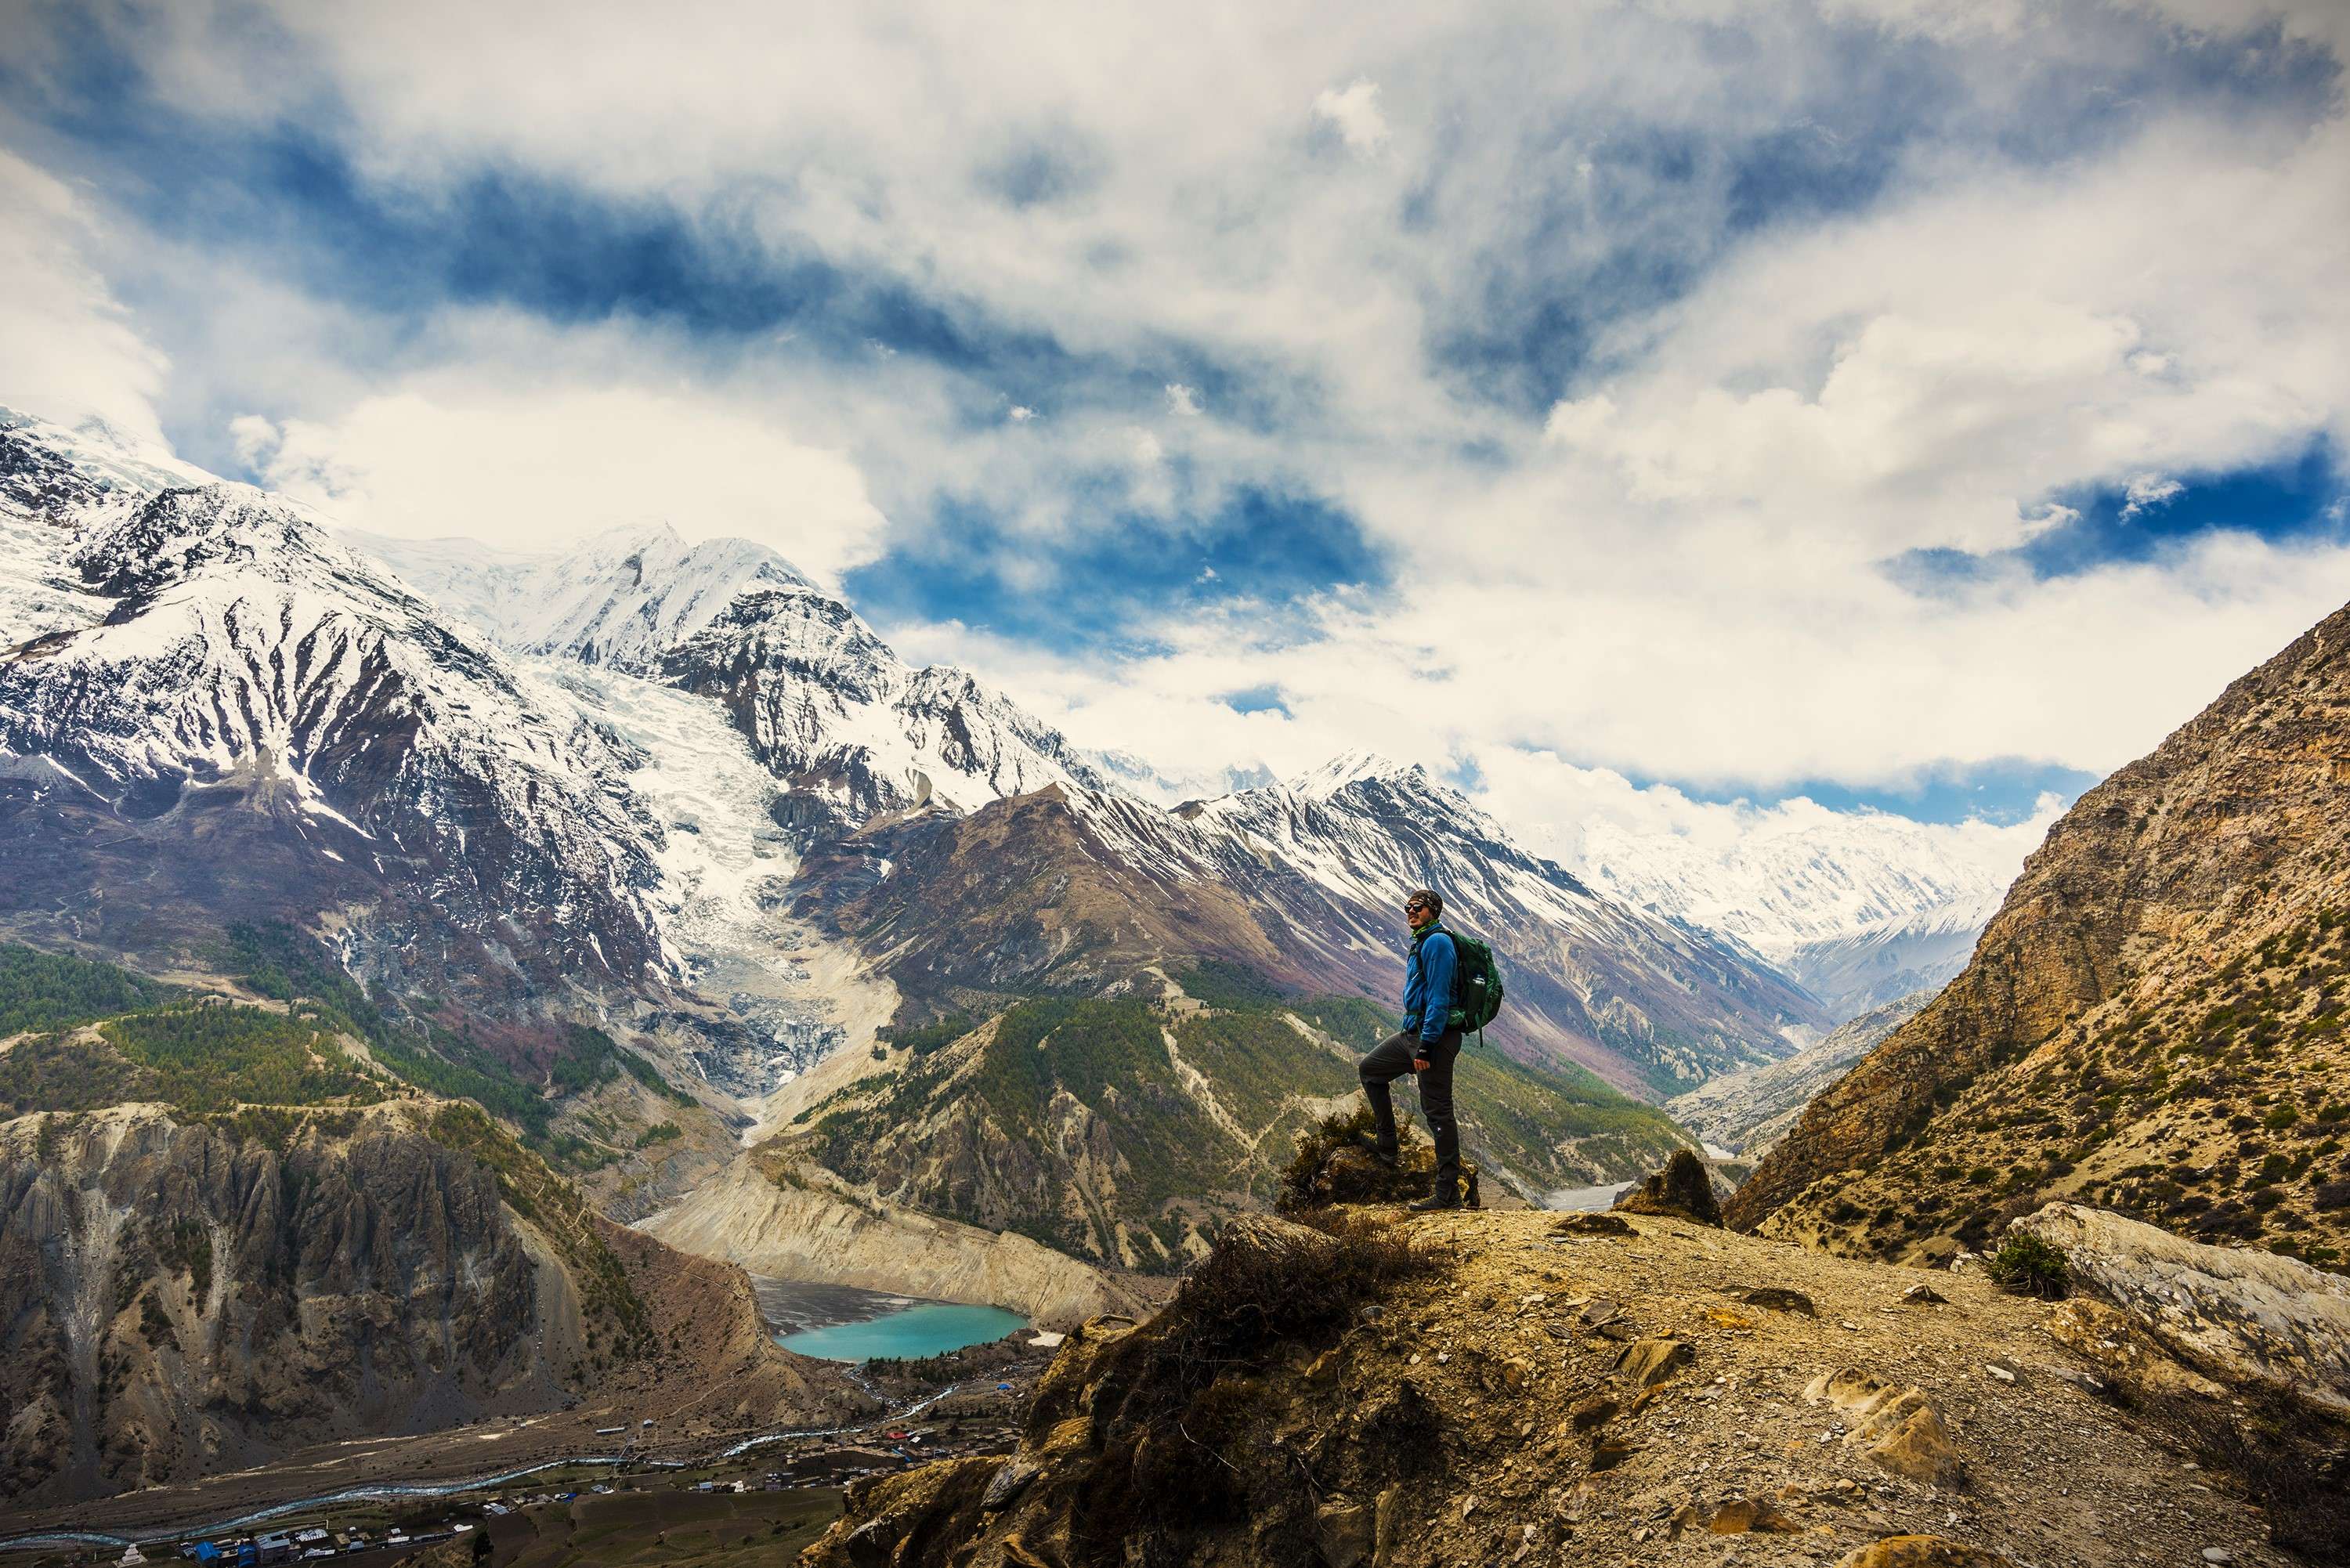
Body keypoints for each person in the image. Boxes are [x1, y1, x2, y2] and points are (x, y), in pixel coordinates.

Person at [1357, 887, 1464, 1211]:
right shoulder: (1421, 941)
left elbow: (1439, 999)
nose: (1411, 912)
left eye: (1417, 907)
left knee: (1438, 1112)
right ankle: (1387, 1146)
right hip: (1411, 1034)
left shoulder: (1438, 943)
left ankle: (1448, 1195)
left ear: (1433, 910)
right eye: (1408, 907)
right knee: (1370, 1070)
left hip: (1434, 1039)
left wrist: (1426, 1047)